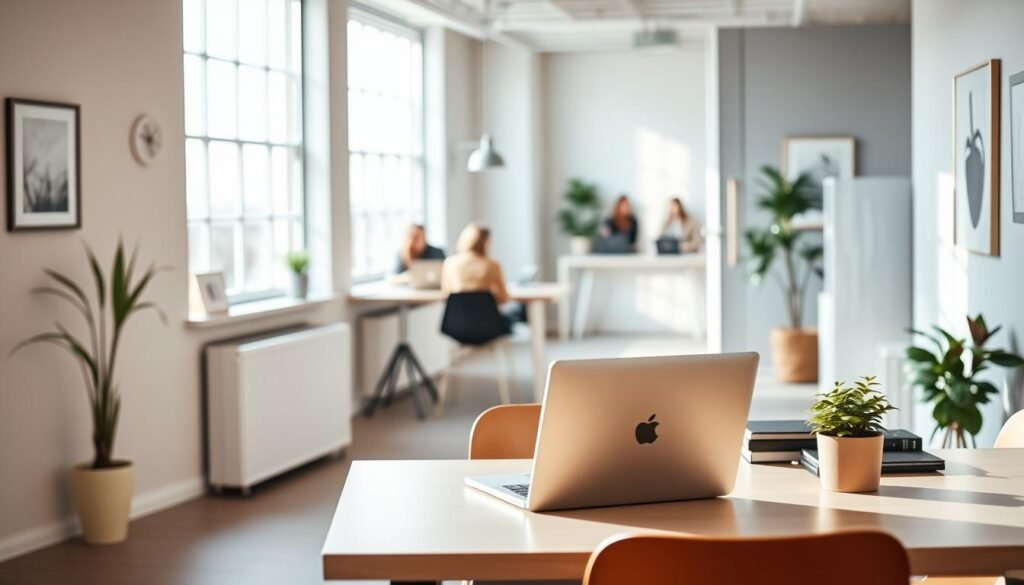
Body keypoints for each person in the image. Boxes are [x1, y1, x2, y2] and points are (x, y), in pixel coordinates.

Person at [441, 223, 510, 305]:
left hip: (456, 312)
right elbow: (503, 297)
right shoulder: (492, 265)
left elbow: (446, 293)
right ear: (486, 243)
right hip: (486, 312)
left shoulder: (450, 263)